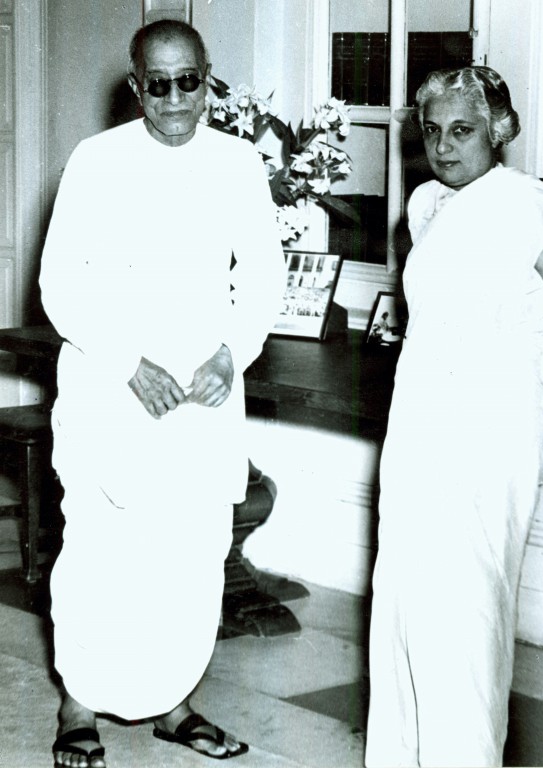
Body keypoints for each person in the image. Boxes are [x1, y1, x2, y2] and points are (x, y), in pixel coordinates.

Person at [39, 19, 285, 767]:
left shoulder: (238, 162)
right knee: (100, 552)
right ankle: (78, 704)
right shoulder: (96, 161)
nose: (176, 99)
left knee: (191, 552)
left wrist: (230, 353)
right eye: (159, 84)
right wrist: (126, 362)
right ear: (135, 85)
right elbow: (59, 282)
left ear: (208, 81)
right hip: (111, 384)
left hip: (203, 392)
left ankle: (174, 702)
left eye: (189, 82)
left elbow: (263, 278)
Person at [365, 66, 543, 768]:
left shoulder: (526, 201)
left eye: (462, 130)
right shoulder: (425, 204)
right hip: (419, 414)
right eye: (432, 131)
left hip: (491, 423)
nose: (444, 146)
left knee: (466, 610)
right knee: (402, 595)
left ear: (498, 130)